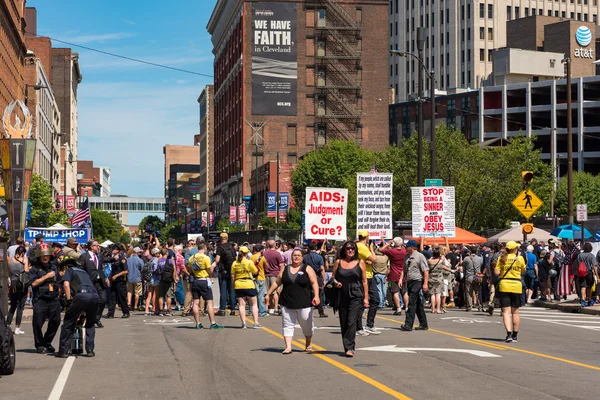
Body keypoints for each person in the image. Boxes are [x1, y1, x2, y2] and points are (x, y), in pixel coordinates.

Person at [265, 248, 320, 354]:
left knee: (307, 325)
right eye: (294, 255)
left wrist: (316, 296)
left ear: (302, 257)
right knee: (287, 324)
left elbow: (314, 283)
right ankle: (288, 347)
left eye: (299, 255)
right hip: (287, 302)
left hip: (304, 303)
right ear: (291, 257)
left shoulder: (307, 268)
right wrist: (268, 294)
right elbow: (277, 282)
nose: (296, 257)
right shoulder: (285, 269)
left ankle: (308, 342)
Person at [55, 256, 100, 358]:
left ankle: (63, 350)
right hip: (95, 296)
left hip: (82, 296)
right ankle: (90, 350)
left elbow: (66, 285)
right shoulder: (83, 272)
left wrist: (69, 300)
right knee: (90, 323)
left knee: (68, 323)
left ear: (65, 267)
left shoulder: (69, 270)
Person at [331, 241, 368, 357]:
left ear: (355, 250)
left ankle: (350, 348)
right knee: (344, 321)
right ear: (344, 250)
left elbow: (364, 281)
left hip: (356, 295)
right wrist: (336, 283)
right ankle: (346, 345)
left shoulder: (360, 262)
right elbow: (332, 277)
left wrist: (366, 298)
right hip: (342, 294)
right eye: (348, 248)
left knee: (352, 321)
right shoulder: (338, 262)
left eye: (352, 248)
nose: (350, 250)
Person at [29, 245, 61, 353]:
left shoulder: (53, 266)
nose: (45, 257)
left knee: (56, 321)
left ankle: (47, 342)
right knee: (37, 323)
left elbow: (58, 280)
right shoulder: (34, 268)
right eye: (43, 255)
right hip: (40, 298)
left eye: (47, 255)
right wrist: (46, 277)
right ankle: (39, 345)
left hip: (53, 298)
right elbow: (33, 284)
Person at [494, 241, 526, 343]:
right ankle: (515, 335)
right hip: (516, 285)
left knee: (506, 311)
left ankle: (508, 334)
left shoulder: (501, 258)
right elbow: (523, 270)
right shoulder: (519, 258)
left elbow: (496, 272)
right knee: (515, 312)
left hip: (504, 285)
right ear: (515, 249)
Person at [187, 242, 223, 329]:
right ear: (204, 249)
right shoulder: (206, 258)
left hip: (195, 281)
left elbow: (190, 269)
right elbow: (209, 269)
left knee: (195, 303)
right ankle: (212, 323)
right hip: (204, 281)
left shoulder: (192, 258)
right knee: (209, 302)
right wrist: (211, 278)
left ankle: (198, 323)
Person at [400, 240, 429, 332]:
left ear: (411, 247)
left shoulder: (420, 256)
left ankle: (408, 324)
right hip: (409, 281)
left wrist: (425, 284)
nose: (405, 249)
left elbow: (425, 271)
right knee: (417, 304)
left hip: (417, 280)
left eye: (406, 247)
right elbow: (403, 270)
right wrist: (401, 279)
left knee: (411, 302)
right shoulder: (406, 257)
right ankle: (423, 323)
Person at [231, 246, 261, 329]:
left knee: (241, 305)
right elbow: (255, 271)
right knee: (254, 304)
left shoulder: (235, 263)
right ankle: (256, 322)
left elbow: (233, 276)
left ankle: (244, 323)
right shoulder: (249, 262)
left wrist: (234, 285)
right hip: (249, 284)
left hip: (238, 284)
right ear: (247, 253)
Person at [356, 230, 379, 336]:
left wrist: (367, 260)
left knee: (375, 300)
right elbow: (374, 259)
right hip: (363, 277)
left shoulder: (360, 246)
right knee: (361, 303)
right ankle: (359, 327)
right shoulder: (362, 247)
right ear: (366, 237)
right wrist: (371, 249)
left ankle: (369, 324)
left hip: (369, 275)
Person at [81, 240, 107, 328]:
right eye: (96, 245)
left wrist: (115, 257)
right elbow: (81, 269)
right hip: (89, 281)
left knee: (103, 299)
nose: (98, 247)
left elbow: (107, 260)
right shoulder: (84, 256)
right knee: (89, 301)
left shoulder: (99, 256)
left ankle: (96, 318)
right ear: (91, 247)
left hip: (99, 281)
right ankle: (87, 318)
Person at [380, 237, 406, 315]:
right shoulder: (405, 251)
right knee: (405, 292)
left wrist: (388, 243)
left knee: (395, 291)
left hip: (394, 273)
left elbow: (380, 250)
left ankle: (398, 309)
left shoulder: (392, 251)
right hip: (403, 272)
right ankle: (407, 307)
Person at [7, 245, 30, 335]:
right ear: (23, 252)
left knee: (12, 306)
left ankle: (7, 325)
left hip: (13, 284)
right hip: (22, 284)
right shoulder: (25, 260)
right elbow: (26, 271)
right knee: (20, 306)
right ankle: (17, 327)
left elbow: (9, 270)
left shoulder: (10, 259)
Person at [213, 233, 237, 316]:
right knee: (232, 290)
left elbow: (217, 259)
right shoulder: (232, 247)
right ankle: (233, 309)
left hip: (223, 271)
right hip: (232, 271)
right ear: (227, 238)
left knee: (223, 290)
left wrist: (213, 265)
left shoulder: (220, 248)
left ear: (220, 239)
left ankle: (222, 309)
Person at [302, 242, 328, 318]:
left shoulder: (305, 257)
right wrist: (324, 279)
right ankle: (321, 312)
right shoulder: (319, 257)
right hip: (317, 276)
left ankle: (307, 310)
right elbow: (322, 269)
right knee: (319, 294)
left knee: (308, 293)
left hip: (307, 276)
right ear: (316, 248)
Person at [105, 245, 130, 319]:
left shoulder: (122, 258)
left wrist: (116, 276)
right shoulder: (113, 259)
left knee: (121, 297)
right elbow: (112, 270)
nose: (112, 250)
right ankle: (110, 313)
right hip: (113, 281)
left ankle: (126, 312)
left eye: (114, 249)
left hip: (120, 281)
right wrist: (109, 278)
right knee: (112, 297)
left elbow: (125, 271)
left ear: (118, 251)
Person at [264, 239, 285, 316]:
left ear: (267, 245)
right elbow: (281, 265)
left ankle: (266, 308)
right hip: (275, 274)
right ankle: (275, 308)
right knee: (275, 292)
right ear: (275, 245)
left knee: (266, 292)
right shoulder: (277, 254)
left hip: (266, 274)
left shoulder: (264, 253)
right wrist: (280, 274)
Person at [574, 242, 598, 307]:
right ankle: (589, 300)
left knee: (583, 287)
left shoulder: (580, 255)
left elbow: (578, 264)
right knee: (589, 287)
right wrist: (597, 276)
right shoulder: (591, 256)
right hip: (589, 272)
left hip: (581, 272)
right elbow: (594, 267)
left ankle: (583, 300)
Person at [251, 244, 268, 317]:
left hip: (253, 277)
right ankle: (262, 311)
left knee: (253, 294)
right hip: (261, 277)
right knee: (261, 295)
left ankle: (253, 310)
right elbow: (267, 267)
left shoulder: (252, 257)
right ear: (261, 250)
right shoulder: (263, 258)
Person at [126, 247, 144, 311]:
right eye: (139, 252)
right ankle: (136, 306)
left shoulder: (128, 259)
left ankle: (129, 304)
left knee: (129, 292)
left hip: (129, 278)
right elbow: (142, 269)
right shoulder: (140, 260)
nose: (140, 253)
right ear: (137, 252)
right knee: (137, 293)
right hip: (137, 278)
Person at [428, 247, 444, 314]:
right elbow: (443, 256)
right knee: (438, 294)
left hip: (431, 278)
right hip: (439, 278)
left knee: (432, 294)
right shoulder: (441, 261)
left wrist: (432, 256)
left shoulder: (429, 261)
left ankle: (432, 309)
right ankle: (438, 309)